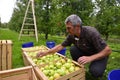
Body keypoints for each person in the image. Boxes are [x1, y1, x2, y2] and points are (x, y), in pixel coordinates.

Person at [37, 14, 112, 79]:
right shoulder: (72, 36)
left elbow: (108, 51)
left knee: (95, 72)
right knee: (73, 49)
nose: (67, 30)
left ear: (77, 26)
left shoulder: (91, 33)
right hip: (87, 51)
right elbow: (60, 46)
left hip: (100, 54)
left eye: (69, 28)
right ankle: (78, 67)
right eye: (66, 28)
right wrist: (45, 53)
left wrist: (90, 58)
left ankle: (97, 67)